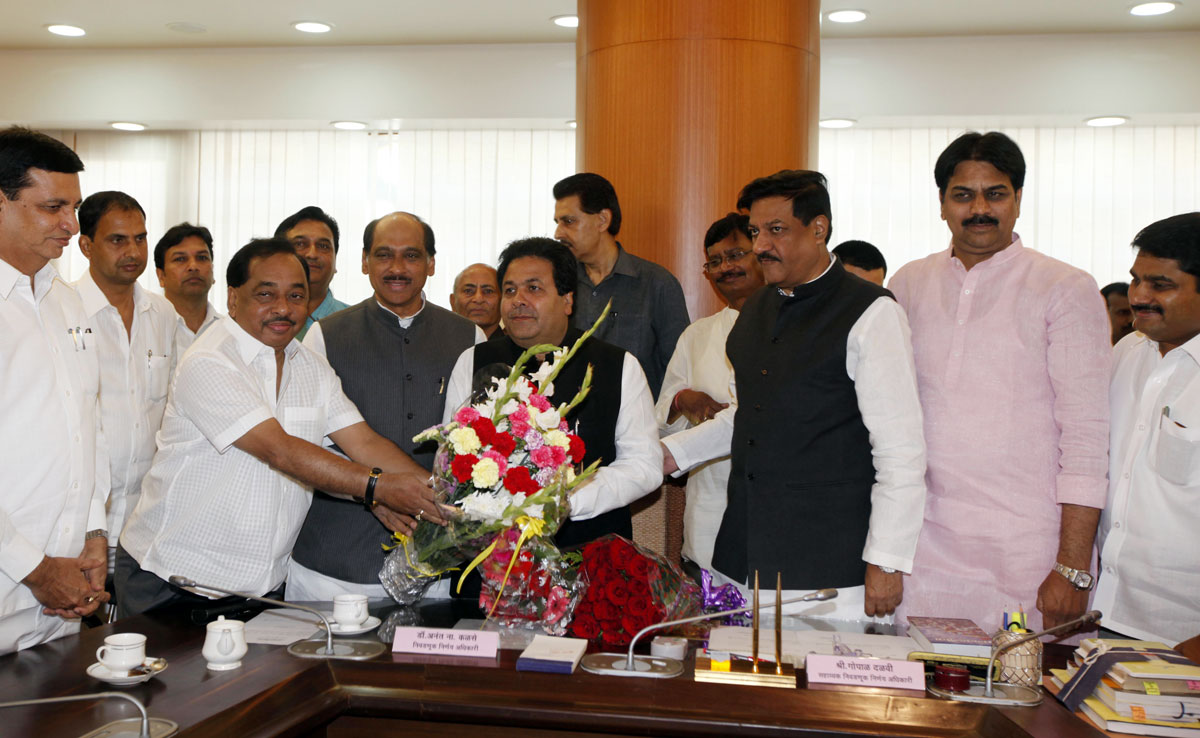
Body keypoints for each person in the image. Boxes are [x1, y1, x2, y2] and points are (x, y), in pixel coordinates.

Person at [115, 238, 446, 617]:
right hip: (173, 583)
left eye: (296, 296)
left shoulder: (309, 365)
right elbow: (280, 450)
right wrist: (378, 488)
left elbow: (364, 442)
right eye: (266, 295)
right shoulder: (208, 360)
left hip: (260, 590)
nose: (283, 309)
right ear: (233, 299)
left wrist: (440, 499)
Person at [662, 171, 926, 621]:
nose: (760, 244)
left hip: (829, 569)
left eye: (775, 230)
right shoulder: (757, 308)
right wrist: (665, 456)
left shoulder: (872, 312)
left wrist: (887, 559)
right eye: (755, 232)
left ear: (818, 229)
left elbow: (900, 449)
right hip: (742, 556)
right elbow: (750, 417)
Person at [889, 132, 1111, 634]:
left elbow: (1087, 436)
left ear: (1018, 200)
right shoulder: (907, 284)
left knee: (1022, 707)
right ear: (942, 204)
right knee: (924, 697)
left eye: (997, 193)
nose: (979, 209)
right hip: (924, 544)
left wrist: (1072, 566)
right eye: (963, 195)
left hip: (1026, 549)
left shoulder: (1064, 287)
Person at [287, 213, 482, 601]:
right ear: (363, 262)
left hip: (434, 561)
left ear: (431, 263)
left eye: (411, 255)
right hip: (332, 561)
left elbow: (474, 446)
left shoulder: (468, 336)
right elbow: (302, 442)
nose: (396, 268)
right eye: (383, 255)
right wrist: (373, 491)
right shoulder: (323, 335)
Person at [444, 237, 662, 550]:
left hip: (591, 556)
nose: (518, 299)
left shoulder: (618, 366)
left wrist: (564, 501)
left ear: (568, 300)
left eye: (533, 288)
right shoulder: (474, 360)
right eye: (509, 289)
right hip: (491, 556)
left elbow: (645, 466)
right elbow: (452, 456)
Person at [0, 126, 108, 653]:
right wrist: (36, 568)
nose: (71, 225)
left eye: (76, 207)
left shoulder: (67, 302)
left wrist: (93, 533)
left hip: (61, 597)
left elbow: (88, 422)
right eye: (52, 208)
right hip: (17, 580)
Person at [1095, 212, 1200, 645]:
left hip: (1183, 631)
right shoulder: (1127, 352)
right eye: (1135, 280)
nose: (1139, 296)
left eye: (1160, 285)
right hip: (1105, 612)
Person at [73, 191, 177, 576]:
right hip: (84, 518)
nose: (133, 250)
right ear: (86, 245)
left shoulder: (162, 312)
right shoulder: (65, 310)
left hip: (146, 516)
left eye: (140, 238)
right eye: (118, 240)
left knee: (134, 627)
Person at [655, 212, 765, 571]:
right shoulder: (697, 335)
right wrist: (682, 400)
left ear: (762, 252)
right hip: (709, 521)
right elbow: (661, 425)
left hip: (778, 518)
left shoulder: (793, 325)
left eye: (735, 255)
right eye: (714, 261)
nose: (724, 268)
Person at [553, 172, 690, 398]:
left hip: (637, 424)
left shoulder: (657, 284)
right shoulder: (559, 282)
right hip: (567, 425)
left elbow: (679, 372)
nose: (558, 233)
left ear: (602, 220)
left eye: (569, 221)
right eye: (557, 223)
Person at [275, 205, 347, 339]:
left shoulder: (357, 324)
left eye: (323, 246)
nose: (312, 254)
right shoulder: (257, 320)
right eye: (300, 244)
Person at [155, 222, 219, 354]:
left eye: (202, 258)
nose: (193, 266)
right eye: (180, 259)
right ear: (161, 276)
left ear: (213, 271)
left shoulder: (228, 331)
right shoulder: (148, 329)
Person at [450, 262, 502, 337]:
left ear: (503, 301)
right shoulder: (438, 344)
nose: (478, 299)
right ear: (453, 301)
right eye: (468, 291)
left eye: (488, 291)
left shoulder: (519, 346)